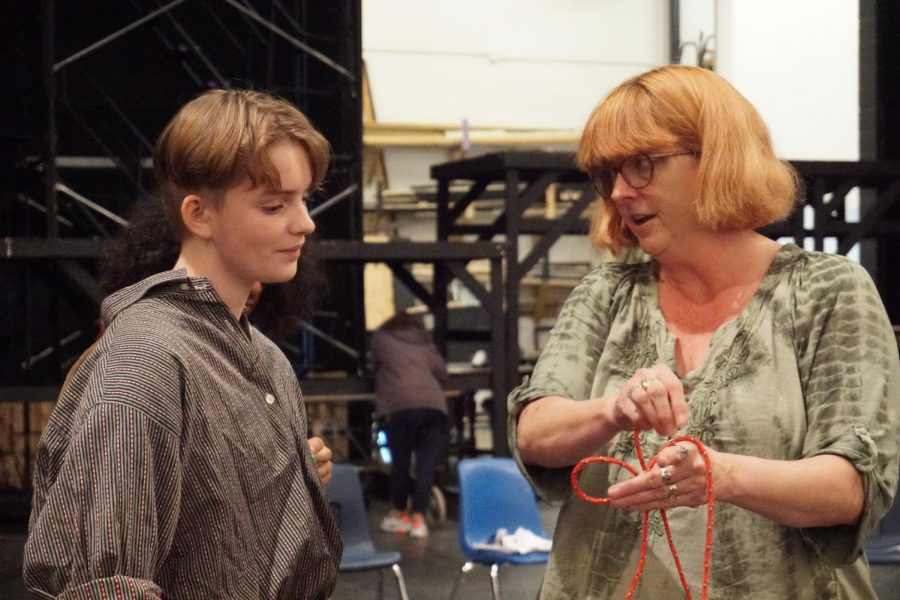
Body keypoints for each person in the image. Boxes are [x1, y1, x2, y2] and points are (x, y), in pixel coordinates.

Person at [509, 65, 900, 599]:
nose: (620, 191)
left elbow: (851, 487)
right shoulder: (607, 293)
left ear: (717, 157)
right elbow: (533, 434)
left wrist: (720, 475)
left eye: (642, 165)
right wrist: (612, 410)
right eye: (608, 174)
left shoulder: (826, 290)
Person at [24, 89, 342, 598]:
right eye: (274, 204)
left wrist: (291, 477)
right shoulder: (145, 360)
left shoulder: (266, 360)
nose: (304, 222)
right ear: (199, 215)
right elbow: (104, 586)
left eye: (305, 199)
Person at [371, 311, 448, 539]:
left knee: (401, 463)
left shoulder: (381, 339)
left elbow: (375, 365)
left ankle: (399, 514)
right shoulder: (424, 341)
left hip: (399, 406)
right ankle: (419, 520)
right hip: (433, 406)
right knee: (426, 465)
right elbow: (441, 371)